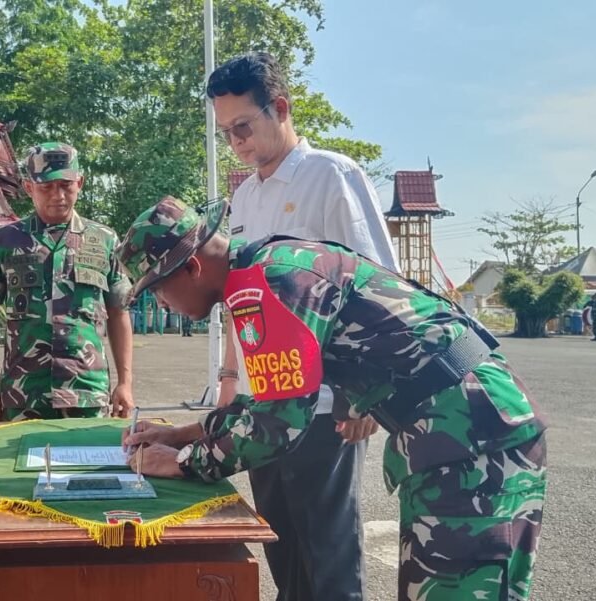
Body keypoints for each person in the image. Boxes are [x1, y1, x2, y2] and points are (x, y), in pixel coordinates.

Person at [117, 196, 548, 601]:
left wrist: (185, 461)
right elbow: (277, 398)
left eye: (157, 288)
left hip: (473, 437)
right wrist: (187, 433)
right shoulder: (266, 269)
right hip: (454, 431)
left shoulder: (274, 280)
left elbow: (276, 426)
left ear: (192, 267)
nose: (161, 302)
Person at [208, 51, 397, 601]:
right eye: (226, 133)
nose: (236, 141)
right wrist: (227, 378)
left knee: (328, 554)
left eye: (243, 125)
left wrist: (365, 396)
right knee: (282, 547)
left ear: (281, 108)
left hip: (326, 404)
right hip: (262, 402)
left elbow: (379, 285)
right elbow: (238, 296)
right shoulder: (243, 196)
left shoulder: (331, 176)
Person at [0, 142, 134, 422]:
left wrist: (125, 383)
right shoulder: (4, 241)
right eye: (46, 187)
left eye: (66, 185)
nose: (58, 195)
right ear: (28, 187)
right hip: (24, 392)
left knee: (87, 464)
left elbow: (119, 313)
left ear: (79, 183)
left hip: (87, 391)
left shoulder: (104, 240)